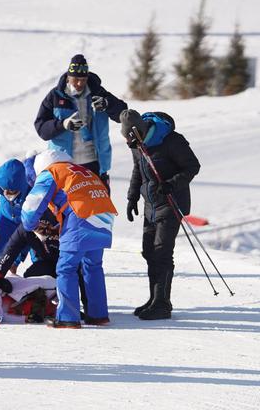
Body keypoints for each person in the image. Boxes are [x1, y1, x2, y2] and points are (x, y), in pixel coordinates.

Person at [21, 149, 117, 328]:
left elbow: (32, 205)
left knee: (66, 268)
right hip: (104, 216)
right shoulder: (79, 169)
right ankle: (98, 315)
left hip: (81, 217)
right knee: (92, 266)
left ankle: (67, 317)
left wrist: (29, 225)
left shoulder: (51, 172)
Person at [121, 109, 200, 320]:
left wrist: (171, 185)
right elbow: (138, 169)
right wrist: (132, 197)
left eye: (130, 136)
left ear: (139, 130)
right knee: (149, 252)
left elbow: (193, 166)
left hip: (171, 204)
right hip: (151, 205)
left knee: (161, 252)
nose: (129, 141)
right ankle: (154, 298)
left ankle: (163, 304)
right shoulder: (137, 145)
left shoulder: (171, 140)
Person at [34, 54, 128, 189]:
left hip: (94, 164)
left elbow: (123, 114)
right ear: (68, 77)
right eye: (76, 79)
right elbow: (41, 129)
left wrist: (107, 104)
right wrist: (63, 124)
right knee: (66, 209)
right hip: (64, 164)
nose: (79, 84)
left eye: (83, 80)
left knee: (99, 208)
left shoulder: (98, 92)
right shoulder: (55, 96)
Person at [0, 156, 36, 263]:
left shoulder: (33, 190)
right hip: (5, 217)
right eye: (4, 191)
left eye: (12, 192)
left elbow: (30, 230)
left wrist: (18, 259)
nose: (7, 195)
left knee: (37, 253)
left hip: (26, 223)